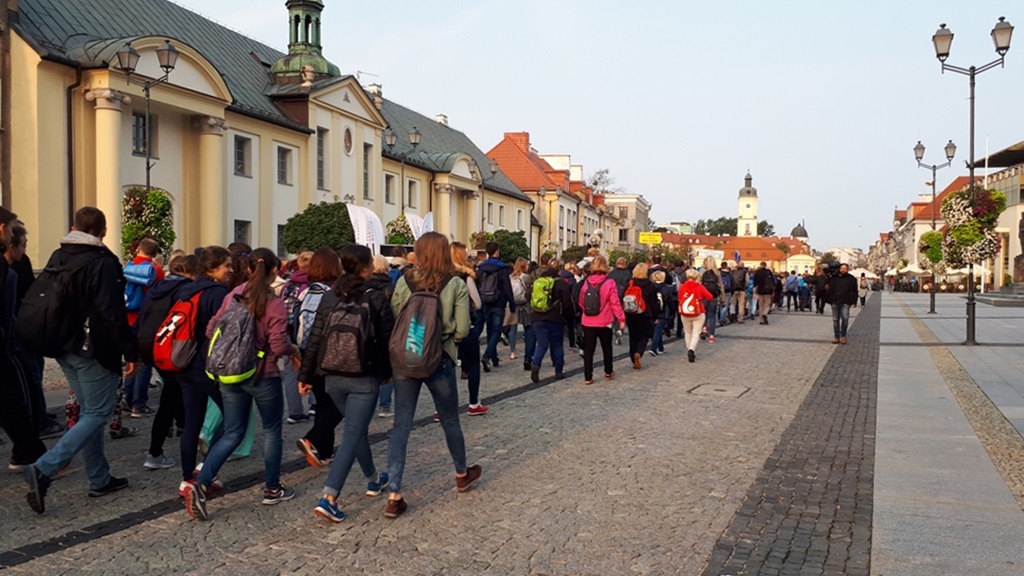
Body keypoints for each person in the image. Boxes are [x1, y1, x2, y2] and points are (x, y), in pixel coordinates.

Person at [21, 207, 140, 514]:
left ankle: (99, 479)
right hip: (92, 348)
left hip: (62, 346)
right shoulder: (102, 262)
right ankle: (44, 469)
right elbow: (112, 313)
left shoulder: (58, 256)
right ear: (103, 230)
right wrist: (131, 351)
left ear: (73, 227)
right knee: (98, 414)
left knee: (90, 415)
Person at [183, 248, 299, 520]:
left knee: (232, 432)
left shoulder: (232, 296)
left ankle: (200, 484)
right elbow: (279, 344)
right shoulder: (274, 303)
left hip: (230, 373)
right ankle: (272, 489)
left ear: (246, 269)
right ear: (276, 271)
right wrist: (295, 352)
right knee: (272, 431)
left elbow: (212, 329)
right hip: (263, 375)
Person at [385, 232, 481, 518]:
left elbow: (396, 315)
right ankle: (462, 474)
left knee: (401, 424)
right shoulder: (455, 283)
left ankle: (393, 493)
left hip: (406, 357)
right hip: (440, 358)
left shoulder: (405, 280)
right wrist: (442, 332)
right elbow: (463, 329)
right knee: (450, 419)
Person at [299, 245, 393, 523]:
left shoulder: (330, 296)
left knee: (357, 430)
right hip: (363, 376)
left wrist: (305, 376)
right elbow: (387, 341)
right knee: (352, 434)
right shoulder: (375, 298)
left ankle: (374, 480)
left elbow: (315, 338)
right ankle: (329, 497)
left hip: (331, 377)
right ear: (367, 269)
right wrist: (386, 374)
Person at [174, 246, 232, 497]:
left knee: (192, 422)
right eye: (226, 266)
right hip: (208, 365)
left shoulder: (186, 289)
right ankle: (206, 469)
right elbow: (225, 330)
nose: (230, 270)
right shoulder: (217, 293)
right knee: (234, 418)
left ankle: (187, 478)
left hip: (184, 361)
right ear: (213, 268)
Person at [0, 209, 48, 472]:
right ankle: (35, 458)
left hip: (13, 341)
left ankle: (29, 454)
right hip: (10, 346)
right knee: (20, 398)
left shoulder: (15, 269)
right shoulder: (8, 273)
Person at [141, 254, 198, 470]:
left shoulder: (157, 288)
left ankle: (181, 426)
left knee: (173, 394)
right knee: (171, 399)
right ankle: (155, 451)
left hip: (150, 345)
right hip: (173, 348)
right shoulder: (186, 291)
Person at [295, 248, 345, 466]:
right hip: (329, 354)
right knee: (342, 403)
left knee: (323, 402)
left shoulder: (305, 293)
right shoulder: (334, 293)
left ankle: (324, 451)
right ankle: (313, 438)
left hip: (308, 352)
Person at [123, 238, 165, 417]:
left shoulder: (127, 267)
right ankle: (139, 404)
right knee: (145, 362)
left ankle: (127, 396)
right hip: (145, 320)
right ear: (155, 254)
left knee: (131, 360)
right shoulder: (156, 271)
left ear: (138, 248)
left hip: (126, 318)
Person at [451, 242, 488, 416]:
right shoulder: (466, 277)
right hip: (466, 324)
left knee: (446, 368)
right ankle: (474, 403)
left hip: (444, 327)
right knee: (473, 364)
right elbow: (478, 303)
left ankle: (441, 407)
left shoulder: (438, 275)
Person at [579, 256, 625, 385]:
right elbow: (615, 303)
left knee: (589, 349)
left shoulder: (587, 281)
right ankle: (608, 371)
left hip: (587, 321)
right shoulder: (609, 282)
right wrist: (621, 319)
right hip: (605, 321)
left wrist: (587, 311)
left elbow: (581, 301)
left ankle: (588, 376)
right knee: (606, 347)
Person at [280, 251, 313, 424]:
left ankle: (295, 411)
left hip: (287, 333)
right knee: (313, 367)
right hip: (306, 334)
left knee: (291, 373)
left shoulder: (288, 284)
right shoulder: (312, 285)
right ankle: (314, 404)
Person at [530, 258, 572, 382]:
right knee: (557, 345)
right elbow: (567, 304)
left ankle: (536, 363)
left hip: (538, 316)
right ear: (559, 269)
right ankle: (558, 371)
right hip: (555, 318)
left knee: (542, 344)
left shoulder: (539, 281)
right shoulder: (561, 283)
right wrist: (568, 318)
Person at [476, 242, 515, 370]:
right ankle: (487, 356)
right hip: (499, 302)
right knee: (497, 331)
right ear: (497, 252)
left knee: (490, 330)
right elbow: (507, 287)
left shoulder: (482, 268)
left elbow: (478, 285)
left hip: (485, 302)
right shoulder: (502, 268)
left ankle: (494, 358)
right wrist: (512, 304)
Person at [623, 263, 658, 368]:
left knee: (633, 336)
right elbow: (654, 302)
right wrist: (655, 316)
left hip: (630, 313)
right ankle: (638, 352)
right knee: (645, 335)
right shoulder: (649, 285)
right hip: (645, 313)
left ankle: (633, 358)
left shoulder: (629, 284)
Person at [678, 268, 714, 362]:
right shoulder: (699, 286)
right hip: (698, 312)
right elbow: (710, 297)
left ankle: (688, 349)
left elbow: (679, 297)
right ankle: (692, 349)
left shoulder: (682, 286)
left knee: (687, 332)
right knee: (696, 333)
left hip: (685, 312)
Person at [826, 263, 858, 344]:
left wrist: (854, 302)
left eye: (845, 268)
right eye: (842, 268)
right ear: (839, 269)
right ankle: (836, 336)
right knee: (835, 320)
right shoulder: (834, 278)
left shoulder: (851, 279)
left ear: (847, 269)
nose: (843, 270)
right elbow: (827, 286)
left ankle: (843, 336)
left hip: (846, 301)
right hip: (835, 301)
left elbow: (855, 291)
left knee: (845, 318)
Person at [506, 258, 530, 363]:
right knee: (528, 327)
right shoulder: (526, 277)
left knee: (513, 329)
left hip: (512, 304)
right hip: (524, 304)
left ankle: (513, 352)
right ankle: (528, 352)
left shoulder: (510, 277)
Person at [607, 257, 632, 344]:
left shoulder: (611, 274)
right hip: (624, 298)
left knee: (614, 316)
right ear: (625, 264)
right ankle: (621, 330)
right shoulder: (628, 274)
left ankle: (616, 329)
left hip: (612, 297)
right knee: (622, 316)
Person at [699, 256, 723, 343]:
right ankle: (712, 336)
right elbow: (721, 286)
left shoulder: (702, 271)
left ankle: (704, 328)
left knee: (703, 313)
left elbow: (698, 284)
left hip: (704, 296)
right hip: (713, 296)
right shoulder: (717, 272)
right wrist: (723, 298)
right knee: (712, 315)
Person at [649, 271, 673, 356]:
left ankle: (661, 347)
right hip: (663, 312)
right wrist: (672, 312)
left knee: (657, 329)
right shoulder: (666, 288)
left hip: (652, 312)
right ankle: (653, 348)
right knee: (658, 330)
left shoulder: (650, 287)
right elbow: (670, 301)